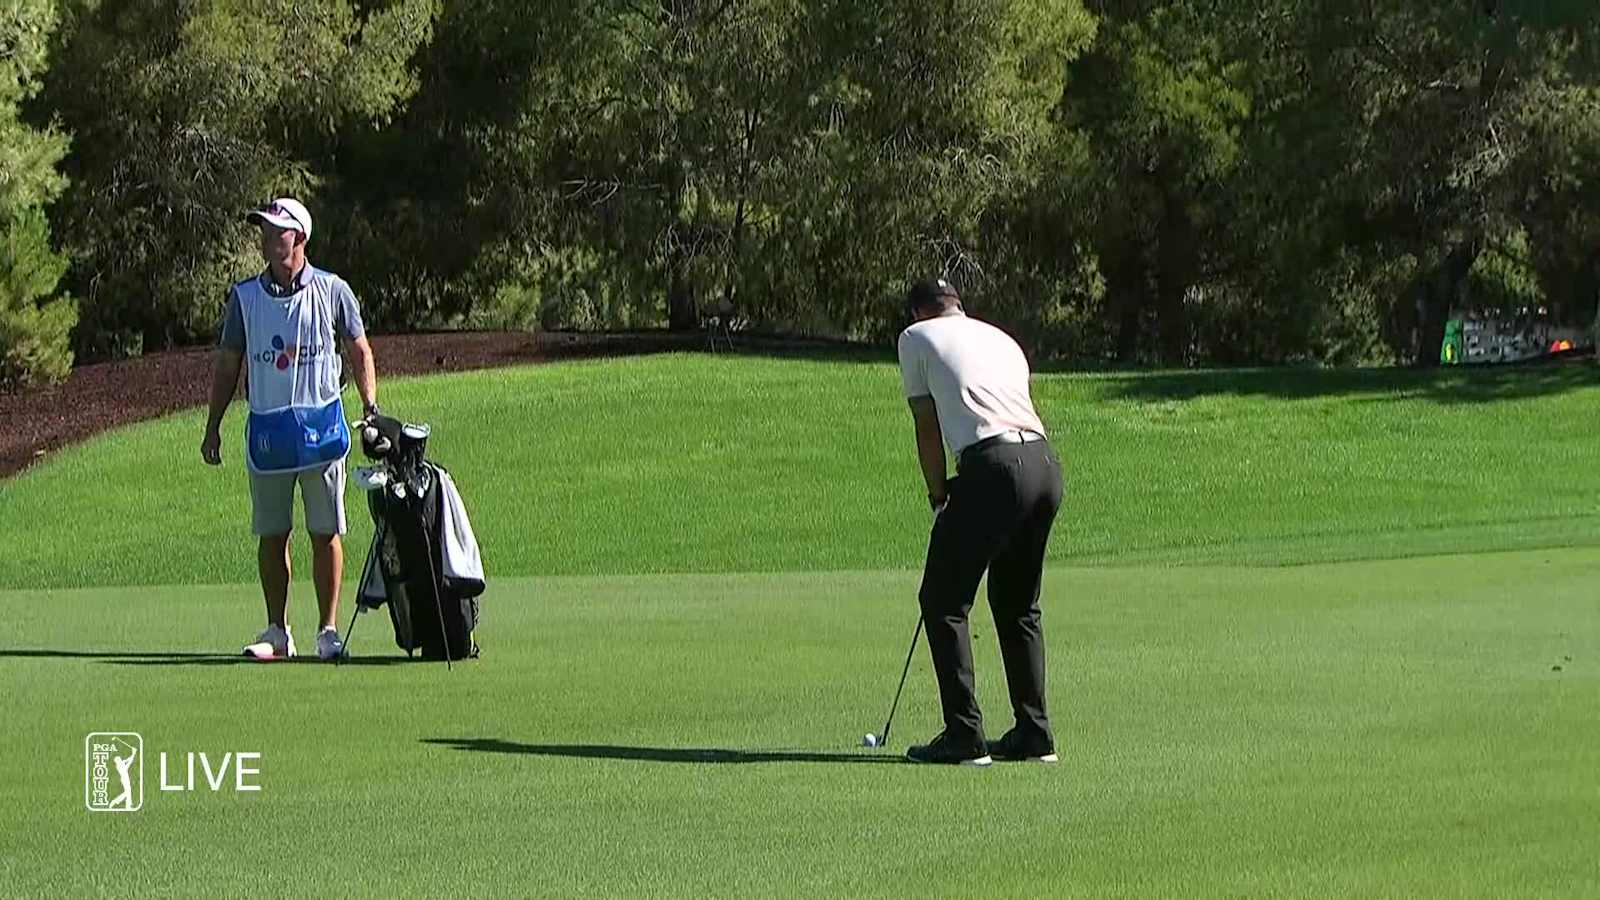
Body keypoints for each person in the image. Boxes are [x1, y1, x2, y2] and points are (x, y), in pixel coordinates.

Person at [201, 198, 379, 660]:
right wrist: (213, 425)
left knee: (325, 532)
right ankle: (277, 631)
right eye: (263, 230)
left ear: (299, 236)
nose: (267, 238)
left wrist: (371, 407)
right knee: (273, 533)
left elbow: (359, 351)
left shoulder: (333, 290)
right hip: (269, 434)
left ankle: (327, 630)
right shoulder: (245, 298)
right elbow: (227, 364)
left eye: (276, 230)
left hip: (322, 432)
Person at [895, 278, 1064, 766]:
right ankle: (1035, 734)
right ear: (958, 306)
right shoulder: (1000, 336)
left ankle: (964, 736)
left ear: (918, 311)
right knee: (1016, 603)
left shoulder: (915, 338)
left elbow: (926, 425)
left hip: (993, 466)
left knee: (943, 599)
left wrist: (937, 496)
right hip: (1044, 465)